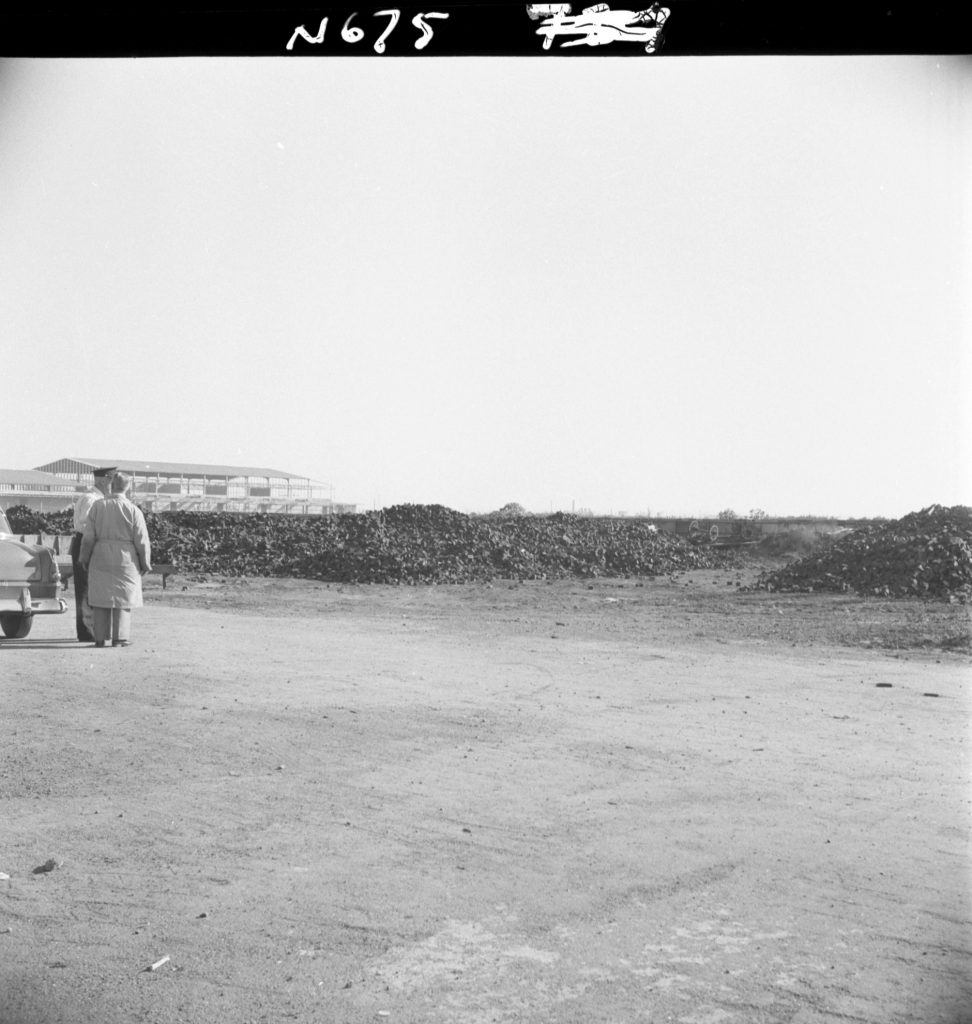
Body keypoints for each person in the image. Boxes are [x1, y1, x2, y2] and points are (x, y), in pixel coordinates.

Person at [79, 472, 152, 648]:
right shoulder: (134, 510)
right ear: (128, 487)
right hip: (126, 558)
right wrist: (145, 563)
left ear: (111, 485)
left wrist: (84, 557)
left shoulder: (98, 506)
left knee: (101, 597)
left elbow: (88, 537)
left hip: (101, 554)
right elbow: (142, 540)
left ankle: (100, 638)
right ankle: (120, 638)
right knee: (123, 598)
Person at [70, 466, 116, 642]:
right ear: (104, 480)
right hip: (86, 542)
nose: (112, 486)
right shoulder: (92, 499)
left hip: (88, 542)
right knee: (85, 589)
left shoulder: (96, 498)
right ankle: (87, 631)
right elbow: (86, 525)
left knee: (91, 587)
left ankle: (91, 629)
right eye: (111, 482)